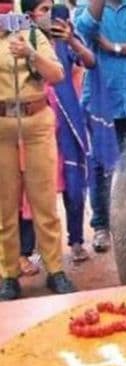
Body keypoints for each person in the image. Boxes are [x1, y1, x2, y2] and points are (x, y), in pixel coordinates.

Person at [0, 0, 77, 300]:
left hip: (36, 122)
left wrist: (30, 53)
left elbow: (57, 75)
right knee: (5, 206)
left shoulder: (33, 36)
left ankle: (55, 269)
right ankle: (8, 274)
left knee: (44, 201)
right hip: (3, 126)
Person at [76, 0, 126, 253]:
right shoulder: (86, 9)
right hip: (101, 103)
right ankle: (101, 226)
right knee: (100, 168)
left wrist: (113, 47)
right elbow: (84, 30)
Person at [48, 3, 96, 262]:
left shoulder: (66, 42)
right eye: (43, 10)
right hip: (36, 122)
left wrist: (72, 41)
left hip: (67, 121)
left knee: (74, 185)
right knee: (31, 191)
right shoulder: (24, 40)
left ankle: (76, 240)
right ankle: (26, 250)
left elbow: (90, 61)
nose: (51, 19)